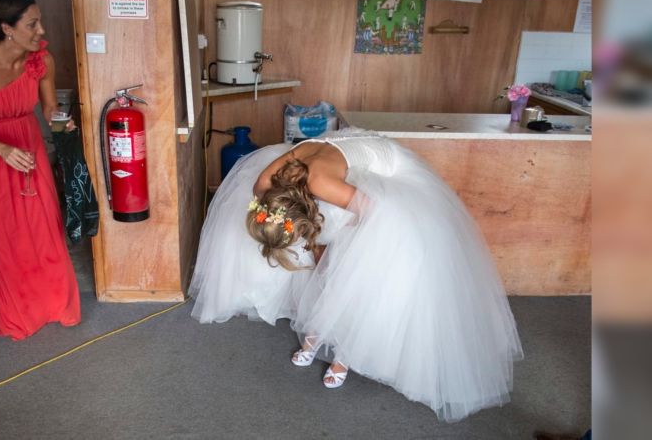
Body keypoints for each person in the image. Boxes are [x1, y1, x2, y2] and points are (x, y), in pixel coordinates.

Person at [189, 128, 523, 422]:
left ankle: (346, 351)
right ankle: (320, 327)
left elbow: (376, 218)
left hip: (384, 173)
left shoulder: (322, 184)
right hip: (335, 156)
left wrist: (341, 259)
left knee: (357, 265)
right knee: (323, 256)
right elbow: (266, 198)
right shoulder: (267, 184)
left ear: (305, 217)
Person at [0, 0, 80, 340]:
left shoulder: (42, 60)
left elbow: (51, 111)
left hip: (29, 147)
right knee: (7, 235)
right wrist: (1, 149)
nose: (42, 30)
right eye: (32, 24)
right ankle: (19, 312)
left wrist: (62, 123)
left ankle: (56, 304)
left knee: (44, 228)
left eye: (39, 21)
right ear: (7, 28)